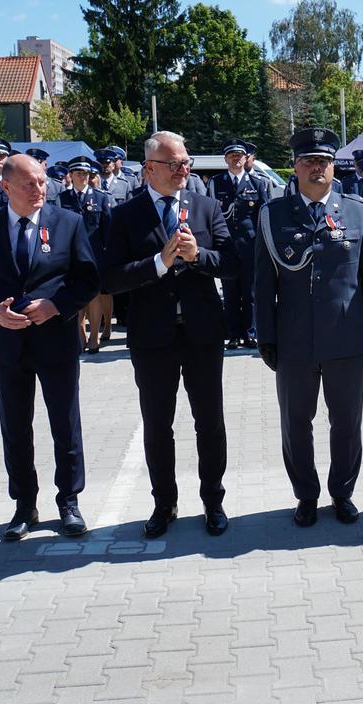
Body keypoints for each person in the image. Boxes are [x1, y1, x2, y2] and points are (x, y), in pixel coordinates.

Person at [102, 131, 240, 538]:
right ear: (149, 169)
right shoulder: (124, 216)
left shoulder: (207, 207)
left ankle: (213, 501)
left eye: (186, 162)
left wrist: (199, 257)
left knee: (209, 421)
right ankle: (164, 503)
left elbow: (232, 263)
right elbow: (109, 278)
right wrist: (157, 264)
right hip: (152, 337)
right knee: (158, 424)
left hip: (202, 333)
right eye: (175, 164)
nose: (184, 170)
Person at [254, 127, 363, 527]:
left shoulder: (357, 210)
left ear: (334, 167)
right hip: (294, 339)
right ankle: (306, 495)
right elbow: (263, 283)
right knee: (296, 423)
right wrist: (265, 335)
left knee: (346, 422)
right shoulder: (273, 214)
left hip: (347, 338)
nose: (317, 168)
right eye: (308, 161)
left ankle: (342, 492)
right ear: (294, 167)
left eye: (324, 161)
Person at [0, 153, 100, 540]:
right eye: (28, 184)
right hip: (8, 344)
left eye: (41, 182)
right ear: (6, 187)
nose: (38, 189)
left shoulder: (67, 223)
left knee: (65, 424)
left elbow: (88, 280)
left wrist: (56, 305)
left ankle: (69, 501)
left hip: (55, 340)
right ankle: (24, 506)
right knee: (16, 426)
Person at [207, 139, 269, 350]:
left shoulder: (258, 183)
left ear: (246, 158)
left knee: (250, 292)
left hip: (250, 246)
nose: (236, 159)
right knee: (230, 292)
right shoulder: (216, 183)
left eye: (239, 155)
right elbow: (212, 215)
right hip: (226, 246)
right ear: (225, 159)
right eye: (231, 155)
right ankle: (233, 334)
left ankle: (251, 332)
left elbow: (264, 217)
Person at [57, 156, 114, 352]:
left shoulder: (100, 198)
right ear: (70, 175)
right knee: (75, 297)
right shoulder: (61, 199)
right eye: (79, 173)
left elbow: (108, 231)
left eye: (86, 174)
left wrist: (107, 257)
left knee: (94, 296)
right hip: (70, 256)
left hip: (94, 256)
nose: (83, 177)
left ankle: (94, 337)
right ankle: (80, 334)